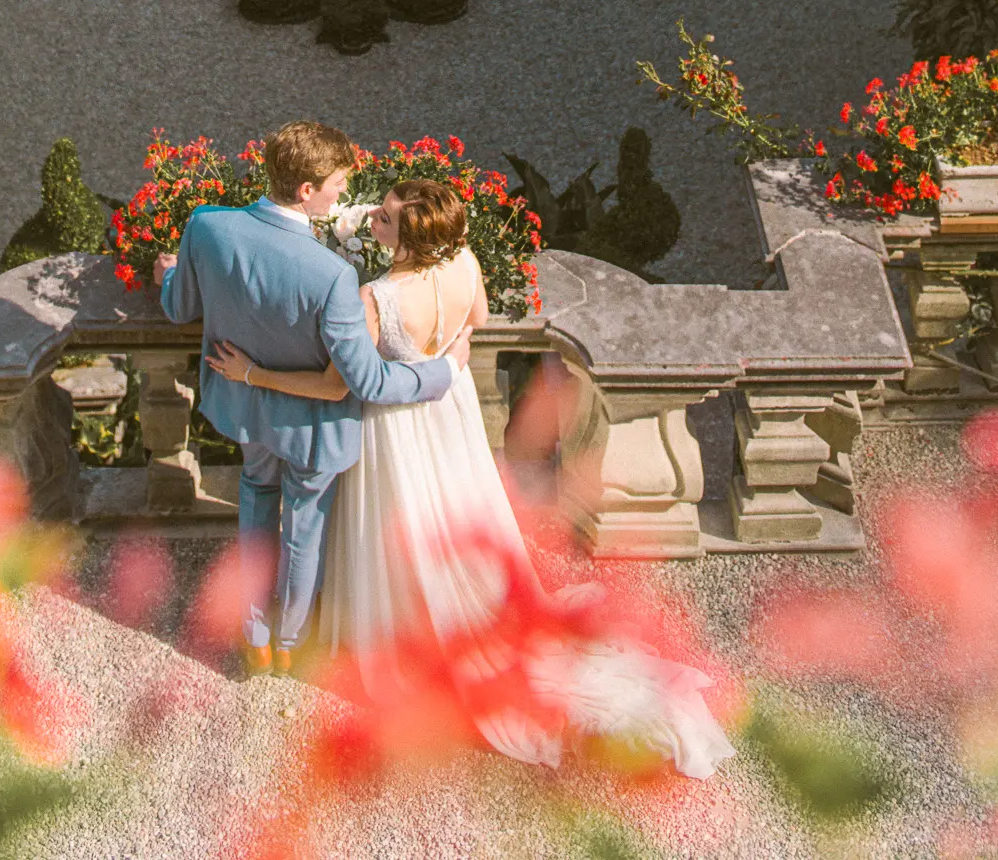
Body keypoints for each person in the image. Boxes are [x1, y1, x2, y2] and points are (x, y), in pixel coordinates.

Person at [207, 179, 734, 776]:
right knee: (454, 511)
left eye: (384, 217)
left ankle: (395, 630)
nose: (373, 218)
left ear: (405, 238)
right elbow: (476, 319)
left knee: (398, 523)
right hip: (449, 409)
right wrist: (448, 358)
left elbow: (337, 385)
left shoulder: (375, 298)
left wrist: (252, 374)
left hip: (396, 428)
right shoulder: (464, 259)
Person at [156, 122, 459, 675]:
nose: (344, 194)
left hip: (246, 411)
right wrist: (440, 374)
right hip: (314, 426)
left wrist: (165, 274)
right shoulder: (333, 276)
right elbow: (367, 382)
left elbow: (178, 308)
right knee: (303, 529)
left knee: (254, 501)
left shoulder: (206, 226)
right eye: (339, 184)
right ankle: (291, 645)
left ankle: (254, 634)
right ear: (306, 190)